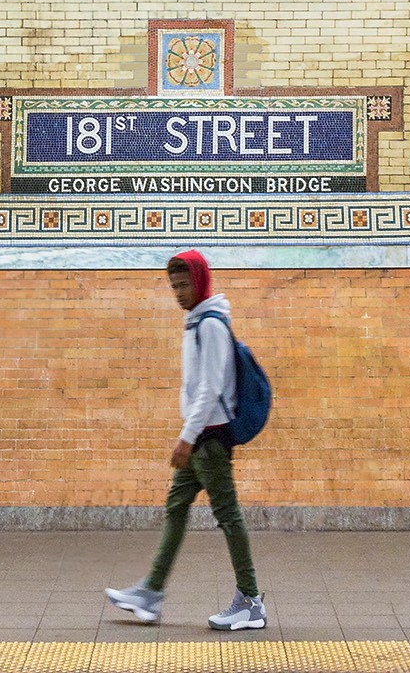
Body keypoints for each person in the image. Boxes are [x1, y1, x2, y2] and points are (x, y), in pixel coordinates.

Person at [105, 249, 266, 631]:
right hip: (200, 437)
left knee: (227, 515)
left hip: (208, 439)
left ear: (201, 281)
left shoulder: (209, 323)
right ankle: (151, 593)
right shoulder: (198, 321)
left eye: (184, 284)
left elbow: (209, 389)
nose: (178, 292)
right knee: (177, 507)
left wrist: (186, 438)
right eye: (174, 285)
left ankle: (251, 601)